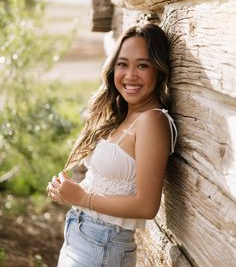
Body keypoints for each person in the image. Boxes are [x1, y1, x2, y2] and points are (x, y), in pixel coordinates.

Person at [47, 23, 177, 267]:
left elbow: (147, 205)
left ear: (159, 71)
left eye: (142, 65)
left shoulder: (152, 120)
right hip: (81, 235)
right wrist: (69, 192)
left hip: (103, 246)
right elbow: (111, 184)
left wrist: (83, 198)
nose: (130, 75)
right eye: (122, 64)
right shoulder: (124, 116)